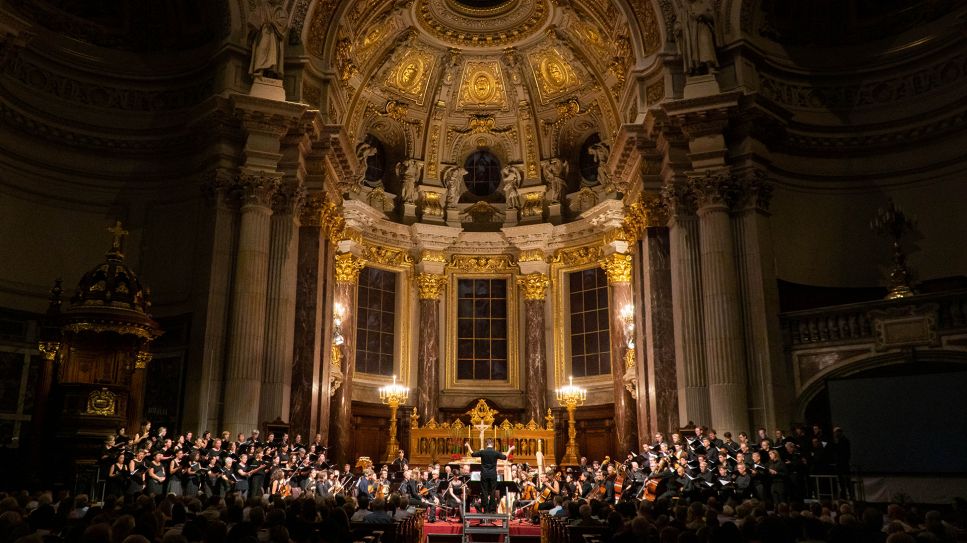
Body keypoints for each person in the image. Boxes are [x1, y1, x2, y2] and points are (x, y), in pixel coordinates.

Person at [467, 439, 514, 514]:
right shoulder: (495, 452)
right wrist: (510, 449)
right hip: (493, 475)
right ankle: (492, 510)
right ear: (493, 444)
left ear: (486, 444)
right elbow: (505, 457)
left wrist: (468, 446)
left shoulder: (483, 452)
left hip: (484, 474)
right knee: (493, 491)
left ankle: (485, 510)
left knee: (484, 491)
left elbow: (472, 454)